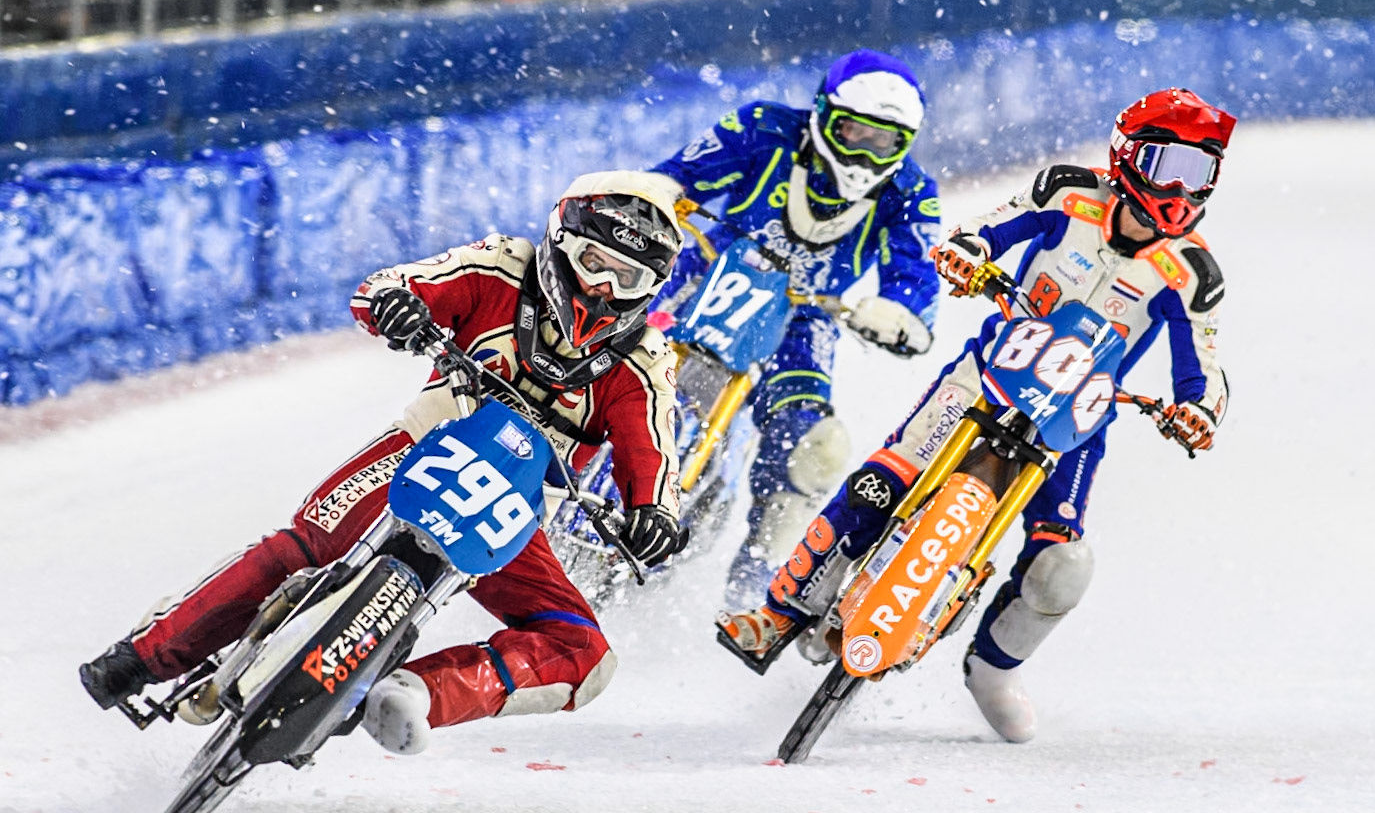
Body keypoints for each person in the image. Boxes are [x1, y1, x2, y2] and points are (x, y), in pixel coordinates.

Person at [80, 170, 690, 754]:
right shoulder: (501, 264)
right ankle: (144, 655)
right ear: (560, 245)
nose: (602, 289)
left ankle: (409, 692)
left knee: (584, 652)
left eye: (628, 278)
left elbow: (652, 454)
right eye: (592, 263)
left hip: (514, 511)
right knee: (307, 547)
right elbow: (384, 287)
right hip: (423, 446)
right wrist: (397, 305)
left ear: (651, 290)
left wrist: (654, 514)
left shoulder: (645, 360)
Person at [717, 88, 1235, 742]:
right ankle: (779, 611)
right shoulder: (1063, 194)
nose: (1183, 192)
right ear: (1129, 156)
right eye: (1171, 167)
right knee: (882, 480)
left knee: (1061, 565)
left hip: (1075, 420)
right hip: (986, 375)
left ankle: (993, 672)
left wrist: (1197, 412)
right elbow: (982, 229)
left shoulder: (1190, 272)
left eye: (1202, 172)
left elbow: (1203, 370)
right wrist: (966, 255)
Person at [649, 49, 942, 603]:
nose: (864, 150)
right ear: (821, 114)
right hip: (710, 270)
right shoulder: (761, 129)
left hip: (807, 317)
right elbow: (678, 175)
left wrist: (901, 312)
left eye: (885, 141)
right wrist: (657, 193)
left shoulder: (911, 193)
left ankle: (756, 576)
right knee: (603, 349)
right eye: (852, 130)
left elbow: (917, 275)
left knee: (818, 447)